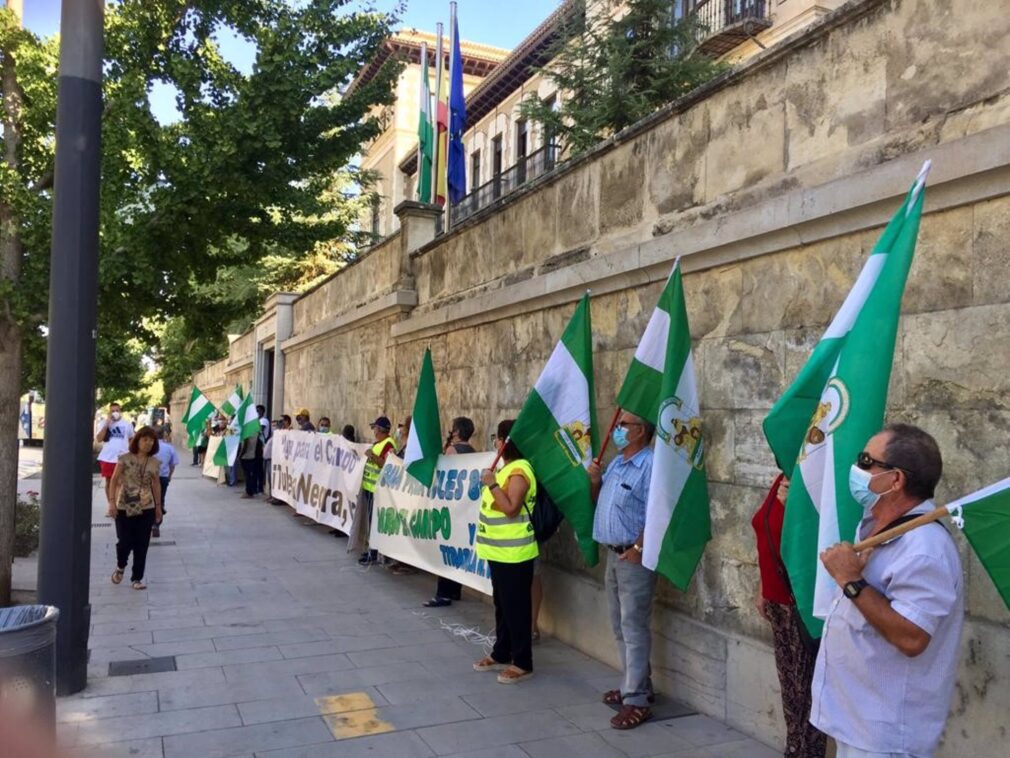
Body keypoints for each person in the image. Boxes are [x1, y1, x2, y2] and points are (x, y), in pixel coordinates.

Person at [811, 423, 963, 758]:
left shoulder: (924, 547)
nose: (857, 468)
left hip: (887, 732)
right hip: (858, 717)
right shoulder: (875, 525)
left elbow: (913, 638)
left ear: (895, 480)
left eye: (866, 461)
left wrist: (851, 581)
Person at [588, 411, 656, 730]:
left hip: (633, 557)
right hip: (613, 555)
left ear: (640, 431)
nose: (616, 429)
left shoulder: (651, 465)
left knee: (633, 625)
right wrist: (594, 482)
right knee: (618, 624)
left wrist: (638, 549)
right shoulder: (615, 463)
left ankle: (637, 700)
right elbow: (598, 503)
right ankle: (635, 681)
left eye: (623, 425)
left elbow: (658, 511)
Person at [752, 474, 826, 757]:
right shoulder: (782, 478)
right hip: (777, 603)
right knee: (791, 693)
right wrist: (763, 586)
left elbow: (814, 545)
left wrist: (797, 509)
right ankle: (794, 749)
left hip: (801, 607)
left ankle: (807, 752)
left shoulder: (812, 484)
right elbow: (767, 535)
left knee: (805, 693)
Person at [472, 419, 537, 685]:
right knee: (502, 606)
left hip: (515, 554)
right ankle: (502, 651)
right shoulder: (505, 468)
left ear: (505, 442)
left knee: (517, 608)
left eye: (497, 438)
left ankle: (522, 662)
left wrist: (492, 484)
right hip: (498, 553)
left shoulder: (520, 470)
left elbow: (510, 507)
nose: (495, 443)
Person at [424, 416, 476, 608]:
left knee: (446, 550)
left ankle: (443, 593)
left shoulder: (452, 451)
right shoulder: (473, 452)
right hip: (464, 510)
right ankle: (455, 590)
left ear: (456, 432)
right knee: (458, 550)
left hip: (450, 509)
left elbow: (443, 473)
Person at [107, 426, 163, 590]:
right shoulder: (124, 458)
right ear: (137, 440)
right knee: (124, 541)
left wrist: (158, 507)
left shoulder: (154, 462)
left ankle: (136, 578)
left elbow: (156, 484)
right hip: (125, 505)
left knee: (142, 543)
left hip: (147, 507)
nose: (148, 443)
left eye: (151, 440)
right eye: (145, 439)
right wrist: (111, 502)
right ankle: (121, 565)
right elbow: (114, 480)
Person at [357, 416, 396, 565]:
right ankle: (371, 550)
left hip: (377, 491)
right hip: (370, 488)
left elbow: (386, 464)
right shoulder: (379, 443)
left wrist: (372, 455)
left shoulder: (388, 444)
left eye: (375, 428)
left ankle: (374, 554)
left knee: (374, 523)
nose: (373, 431)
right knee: (370, 522)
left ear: (380, 429)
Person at [94, 402, 135, 509]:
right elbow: (99, 439)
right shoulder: (104, 423)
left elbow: (132, 439)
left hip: (122, 458)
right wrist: (107, 424)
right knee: (109, 481)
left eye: (117, 410)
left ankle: (117, 505)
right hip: (107, 458)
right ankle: (111, 505)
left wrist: (130, 452)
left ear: (120, 411)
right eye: (113, 411)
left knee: (120, 482)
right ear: (109, 412)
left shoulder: (127, 424)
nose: (115, 413)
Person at [152, 428, 180, 539]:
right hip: (163, 478)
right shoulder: (169, 448)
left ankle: (148, 523)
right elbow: (173, 465)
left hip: (149, 478)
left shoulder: (149, 448)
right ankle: (156, 524)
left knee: (148, 500)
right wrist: (169, 477)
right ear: (163, 435)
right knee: (160, 500)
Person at [239, 432, 259, 499]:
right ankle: (252, 490)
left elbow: (244, 446)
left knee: (247, 475)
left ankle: (248, 492)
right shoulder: (256, 433)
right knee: (251, 475)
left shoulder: (247, 433)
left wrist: (240, 455)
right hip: (252, 456)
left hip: (245, 457)